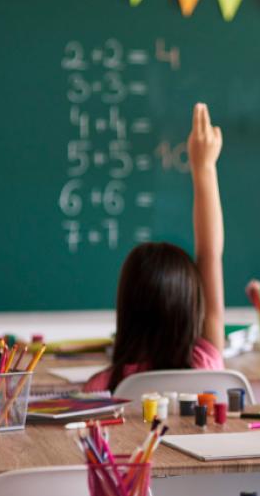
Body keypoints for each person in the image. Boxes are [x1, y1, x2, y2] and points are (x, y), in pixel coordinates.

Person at [85, 103, 226, 392]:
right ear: (192, 307)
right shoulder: (206, 364)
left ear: (126, 308)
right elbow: (210, 253)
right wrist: (204, 168)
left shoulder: (104, 388)